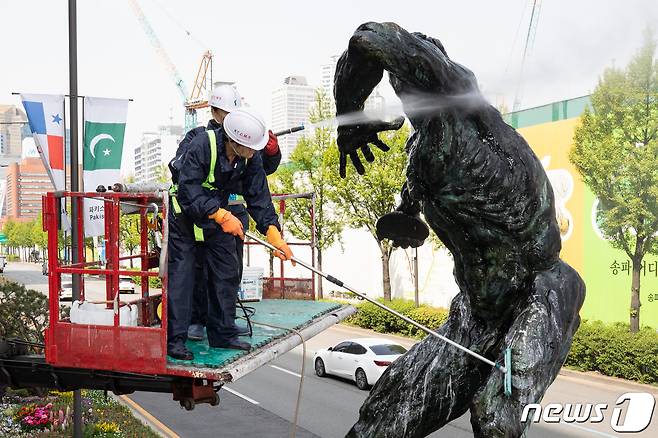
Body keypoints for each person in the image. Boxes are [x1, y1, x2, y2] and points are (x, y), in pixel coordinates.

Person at [167, 107, 294, 360]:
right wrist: (219, 215)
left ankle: (223, 333)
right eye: (251, 147)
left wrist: (273, 232)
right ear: (235, 142)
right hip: (185, 216)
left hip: (219, 213)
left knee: (225, 272)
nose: (255, 151)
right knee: (183, 276)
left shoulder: (249, 157)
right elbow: (187, 189)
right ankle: (175, 341)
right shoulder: (203, 145)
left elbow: (259, 195)